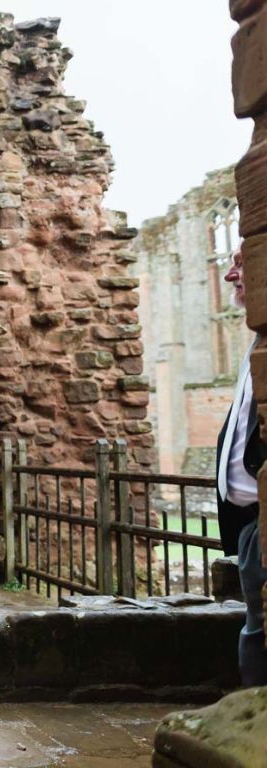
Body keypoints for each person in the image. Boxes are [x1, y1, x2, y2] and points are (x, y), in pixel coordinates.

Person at [216, 244, 266, 687]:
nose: (230, 276)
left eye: (239, 263)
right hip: (254, 526)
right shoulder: (257, 337)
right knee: (256, 634)